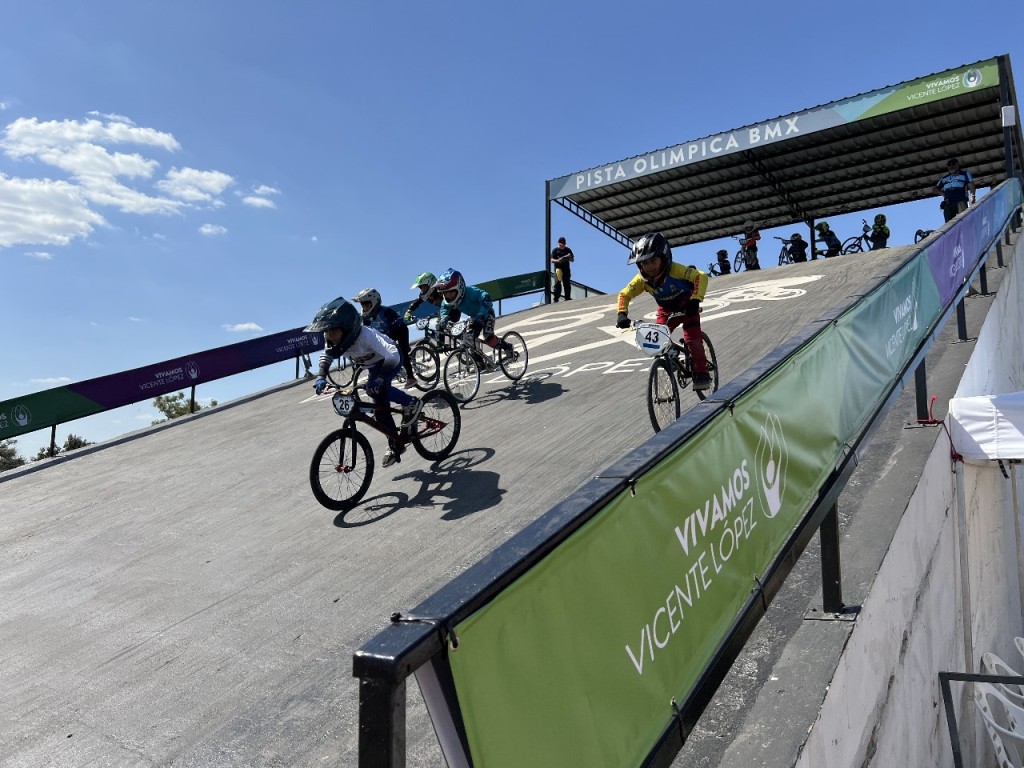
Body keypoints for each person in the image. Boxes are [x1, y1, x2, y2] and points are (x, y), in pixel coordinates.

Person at [306, 297, 421, 468]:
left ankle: (412, 403)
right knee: (379, 410)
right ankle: (395, 444)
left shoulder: (366, 336)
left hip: (390, 359)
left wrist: (381, 378)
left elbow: (392, 354)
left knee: (378, 390)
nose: (329, 337)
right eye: (327, 333)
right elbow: (327, 355)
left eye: (333, 332)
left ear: (347, 329)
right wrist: (321, 376)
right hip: (372, 366)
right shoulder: (333, 340)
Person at [614, 232, 712, 390]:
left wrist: (696, 299)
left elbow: (701, 276)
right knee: (657, 342)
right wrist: (621, 314)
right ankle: (672, 358)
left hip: (688, 305)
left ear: (664, 257)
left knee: (692, 339)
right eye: (644, 263)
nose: (649, 267)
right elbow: (624, 294)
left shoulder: (675, 269)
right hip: (666, 309)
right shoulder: (642, 279)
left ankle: (702, 373)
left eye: (653, 261)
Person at [434, 268, 515, 357]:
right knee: (469, 339)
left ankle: (507, 347)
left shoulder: (470, 291)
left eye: (450, 292)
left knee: (489, 338)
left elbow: (485, 296)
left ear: (459, 287)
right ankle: (479, 364)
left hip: (487, 314)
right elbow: (444, 308)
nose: (448, 296)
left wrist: (482, 310)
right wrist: (444, 318)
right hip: (474, 317)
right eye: (445, 293)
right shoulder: (447, 301)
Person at [352, 287, 416, 387]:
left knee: (402, 352)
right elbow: (365, 332)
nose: (364, 308)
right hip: (386, 334)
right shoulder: (366, 317)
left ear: (374, 302)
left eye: (367, 305)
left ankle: (411, 377)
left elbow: (393, 330)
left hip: (399, 330)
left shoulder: (386, 311)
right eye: (363, 305)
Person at [935, 158, 976, 223]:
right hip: (948, 203)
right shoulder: (944, 178)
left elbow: (971, 185)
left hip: (960, 201)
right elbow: (935, 189)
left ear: (957, 165)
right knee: (948, 224)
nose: (951, 167)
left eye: (953, 164)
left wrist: (972, 196)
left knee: (963, 220)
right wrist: (943, 194)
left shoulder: (965, 174)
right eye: (949, 165)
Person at [550, 236, 575, 301]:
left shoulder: (568, 250)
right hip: (558, 269)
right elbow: (552, 260)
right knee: (558, 284)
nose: (562, 246)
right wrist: (558, 260)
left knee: (567, 284)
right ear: (558, 243)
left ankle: (567, 298)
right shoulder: (555, 250)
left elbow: (572, 260)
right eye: (561, 244)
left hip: (566, 269)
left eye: (563, 245)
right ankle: (556, 298)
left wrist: (568, 258)